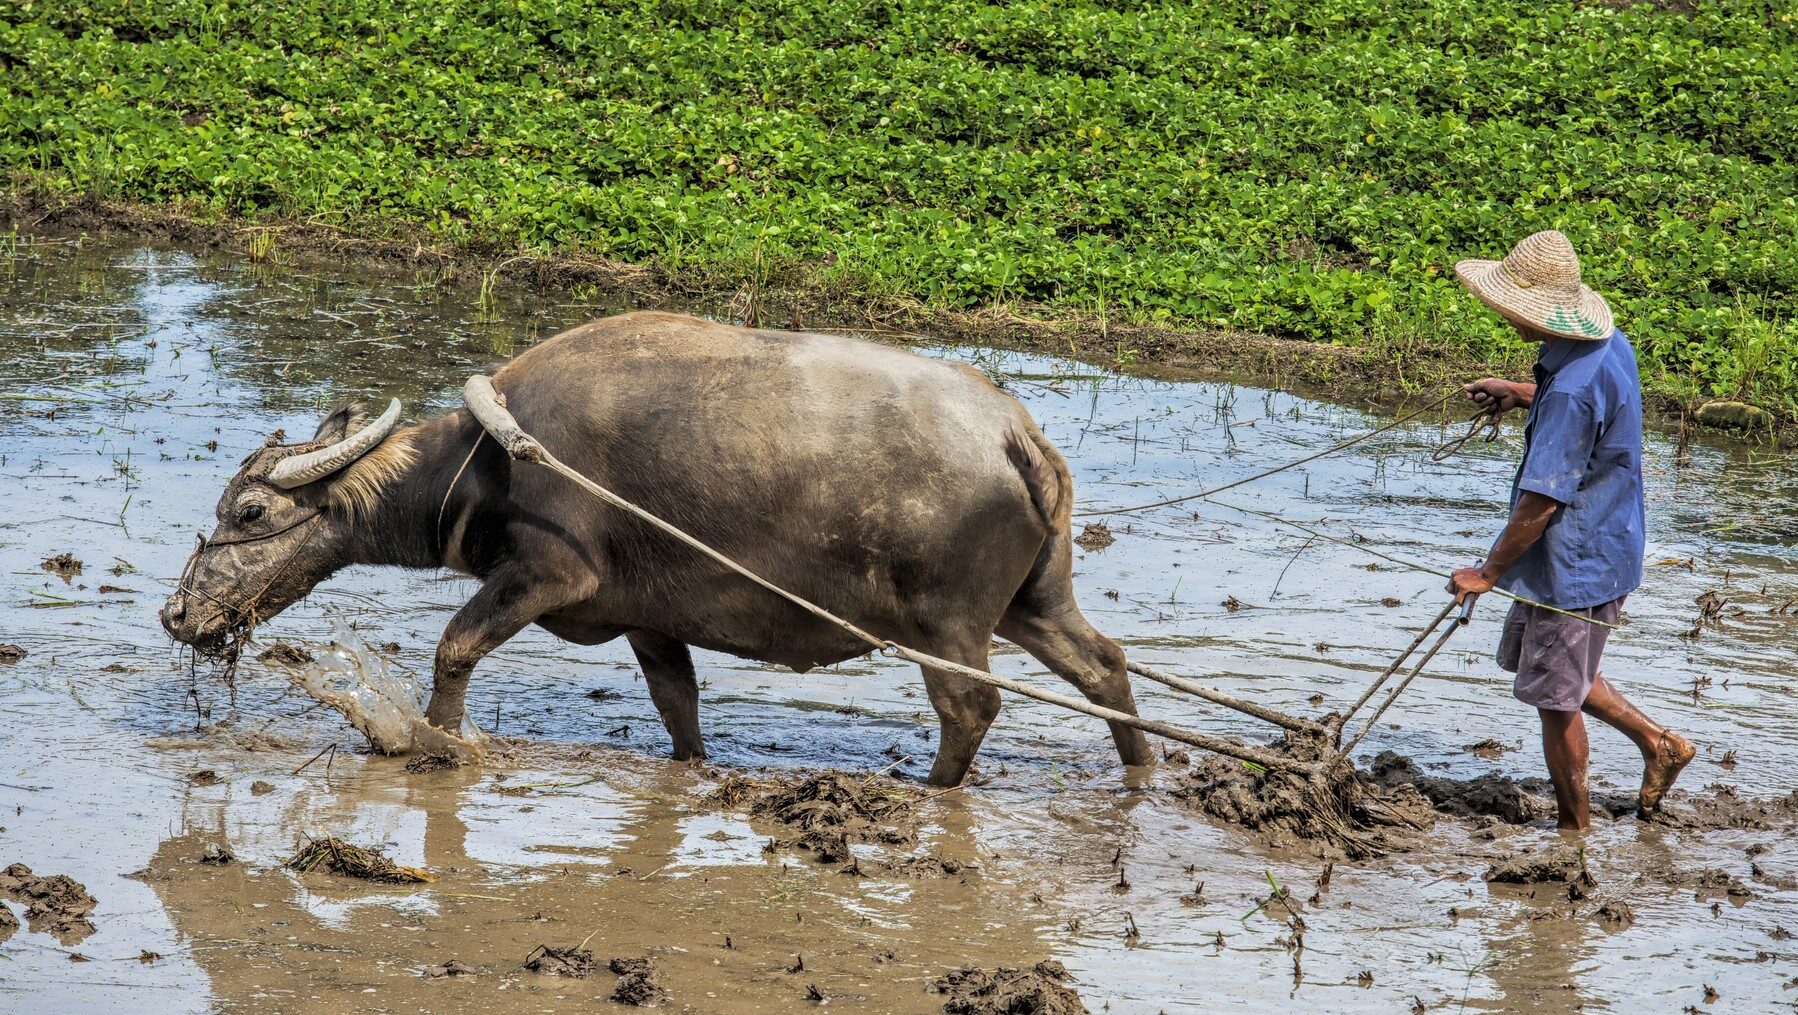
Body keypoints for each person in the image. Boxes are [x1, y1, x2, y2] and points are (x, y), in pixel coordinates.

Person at [1445, 229, 1694, 830]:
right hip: (1604, 543)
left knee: (1555, 702)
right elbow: (1587, 403)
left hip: (1574, 563)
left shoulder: (1572, 392)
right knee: (1561, 671)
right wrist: (1520, 392)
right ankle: (1658, 743)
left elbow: (1539, 502)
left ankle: (1573, 834)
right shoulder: (1604, 347)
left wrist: (1487, 574)